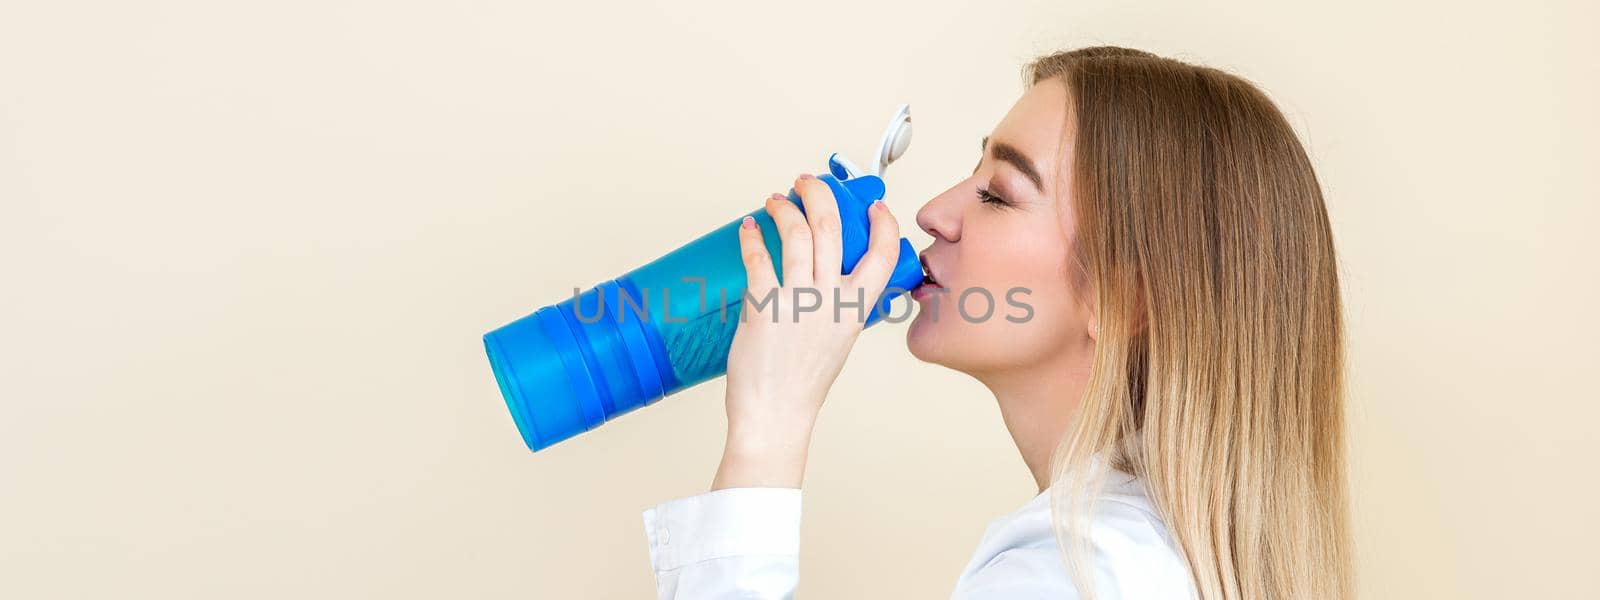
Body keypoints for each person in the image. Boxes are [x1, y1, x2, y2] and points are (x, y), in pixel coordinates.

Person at [640, 46, 1351, 599]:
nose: (932, 214)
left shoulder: (1074, 577)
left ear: (1127, 300)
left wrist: (769, 426)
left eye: (999, 194)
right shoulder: (1141, 557)